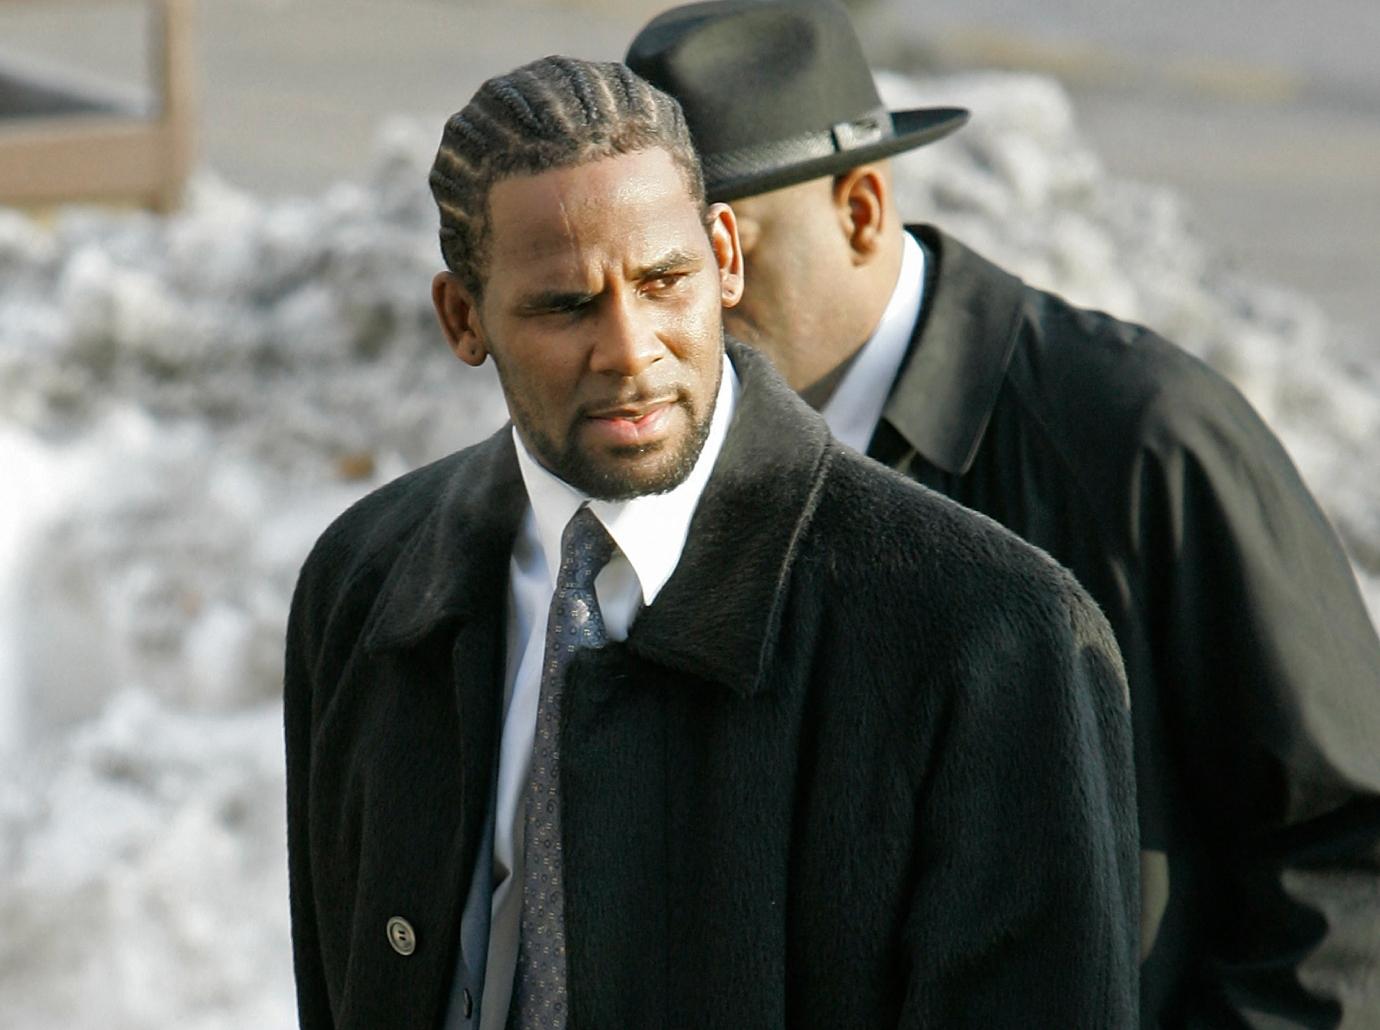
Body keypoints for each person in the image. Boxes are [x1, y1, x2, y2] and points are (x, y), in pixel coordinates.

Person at [284, 54, 1139, 1029]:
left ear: (725, 256)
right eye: (566, 305)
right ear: (461, 318)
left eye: (664, 281)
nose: (631, 349)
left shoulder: (993, 638)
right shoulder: (365, 581)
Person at [626, 2, 1380, 1026]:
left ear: (861, 210)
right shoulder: (651, 457)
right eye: (658, 269)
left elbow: (1348, 850)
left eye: (731, 252)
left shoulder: (1138, 436)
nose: (675, 321)